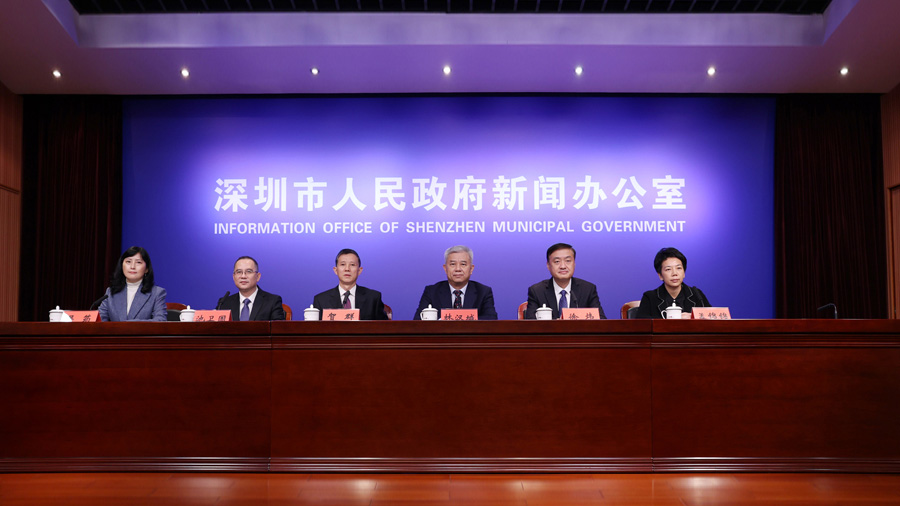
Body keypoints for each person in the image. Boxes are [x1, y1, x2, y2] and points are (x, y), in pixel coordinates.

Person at [413, 245, 498, 320]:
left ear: (471, 269)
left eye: (463, 264)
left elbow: (491, 320)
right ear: (445, 268)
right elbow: (418, 322)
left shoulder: (483, 292)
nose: (458, 269)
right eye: (453, 264)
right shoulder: (431, 292)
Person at [524, 242, 606, 319]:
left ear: (574, 264)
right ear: (548, 265)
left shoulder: (588, 289)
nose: (563, 266)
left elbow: (601, 321)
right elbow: (530, 324)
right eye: (557, 261)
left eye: (568, 261)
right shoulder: (537, 291)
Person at [313, 248, 389, 320]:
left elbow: (384, 327)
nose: (347, 269)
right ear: (335, 270)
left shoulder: (373, 298)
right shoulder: (321, 300)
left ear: (359, 270)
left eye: (352, 265)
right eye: (343, 264)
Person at [635, 247, 710, 319]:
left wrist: (693, 317)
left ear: (684, 273)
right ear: (660, 275)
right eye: (668, 269)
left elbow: (712, 318)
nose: (674, 273)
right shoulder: (650, 297)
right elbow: (641, 324)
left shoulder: (697, 295)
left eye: (679, 268)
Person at [98, 246, 167, 322]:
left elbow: (160, 320)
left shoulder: (157, 293)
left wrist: (130, 325)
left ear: (146, 269)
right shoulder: (111, 292)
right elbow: (100, 319)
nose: (132, 266)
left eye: (138, 262)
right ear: (122, 265)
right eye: (128, 262)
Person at [218, 256, 286, 321]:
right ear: (234, 277)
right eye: (239, 272)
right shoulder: (224, 303)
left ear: (258, 276)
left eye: (249, 271)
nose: (243, 276)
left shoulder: (272, 301)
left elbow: (278, 327)